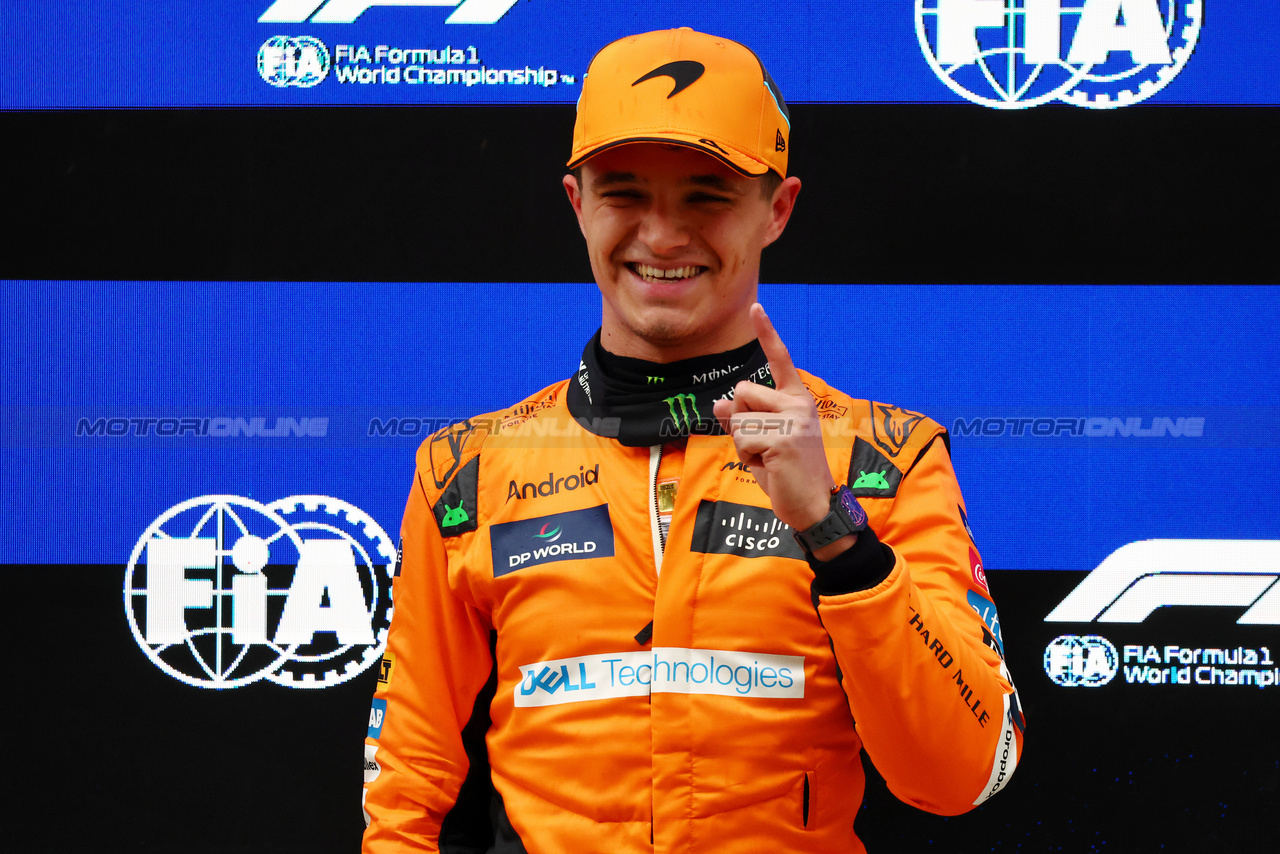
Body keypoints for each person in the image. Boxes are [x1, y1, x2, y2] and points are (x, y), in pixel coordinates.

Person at [361, 27, 1024, 853]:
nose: (662, 235)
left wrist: (833, 530)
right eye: (624, 192)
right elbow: (406, 788)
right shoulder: (466, 469)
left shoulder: (883, 455)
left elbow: (964, 773)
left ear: (777, 210)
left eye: (707, 194)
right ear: (577, 203)